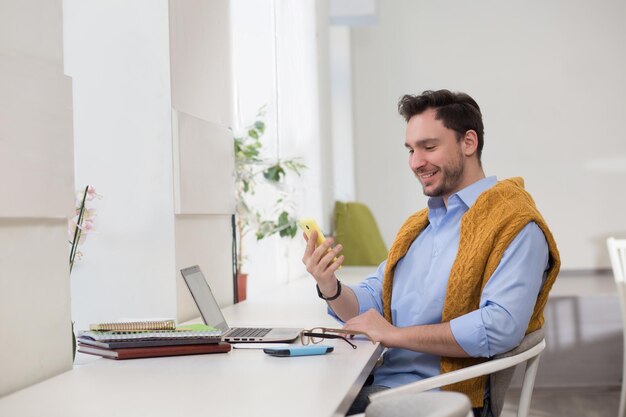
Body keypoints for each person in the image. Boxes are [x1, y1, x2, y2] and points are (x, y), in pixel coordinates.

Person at [301, 89, 560, 416]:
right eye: (411, 149)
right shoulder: (419, 226)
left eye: (429, 147)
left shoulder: (516, 224)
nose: (415, 162)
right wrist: (330, 286)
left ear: (469, 142)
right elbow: (371, 302)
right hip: (382, 385)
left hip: (440, 398)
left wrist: (394, 335)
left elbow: (499, 327)